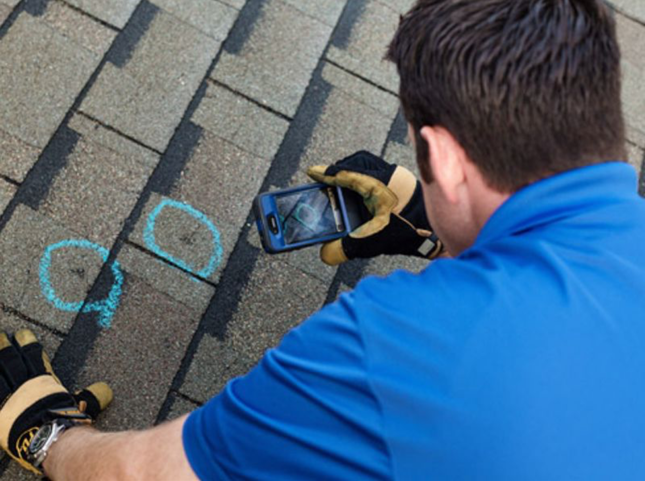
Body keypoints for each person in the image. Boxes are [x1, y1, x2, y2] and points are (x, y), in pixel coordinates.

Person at [2, 0, 644, 478]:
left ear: (444, 159)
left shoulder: (388, 348)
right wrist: (430, 221)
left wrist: (48, 436)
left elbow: (151, 475)